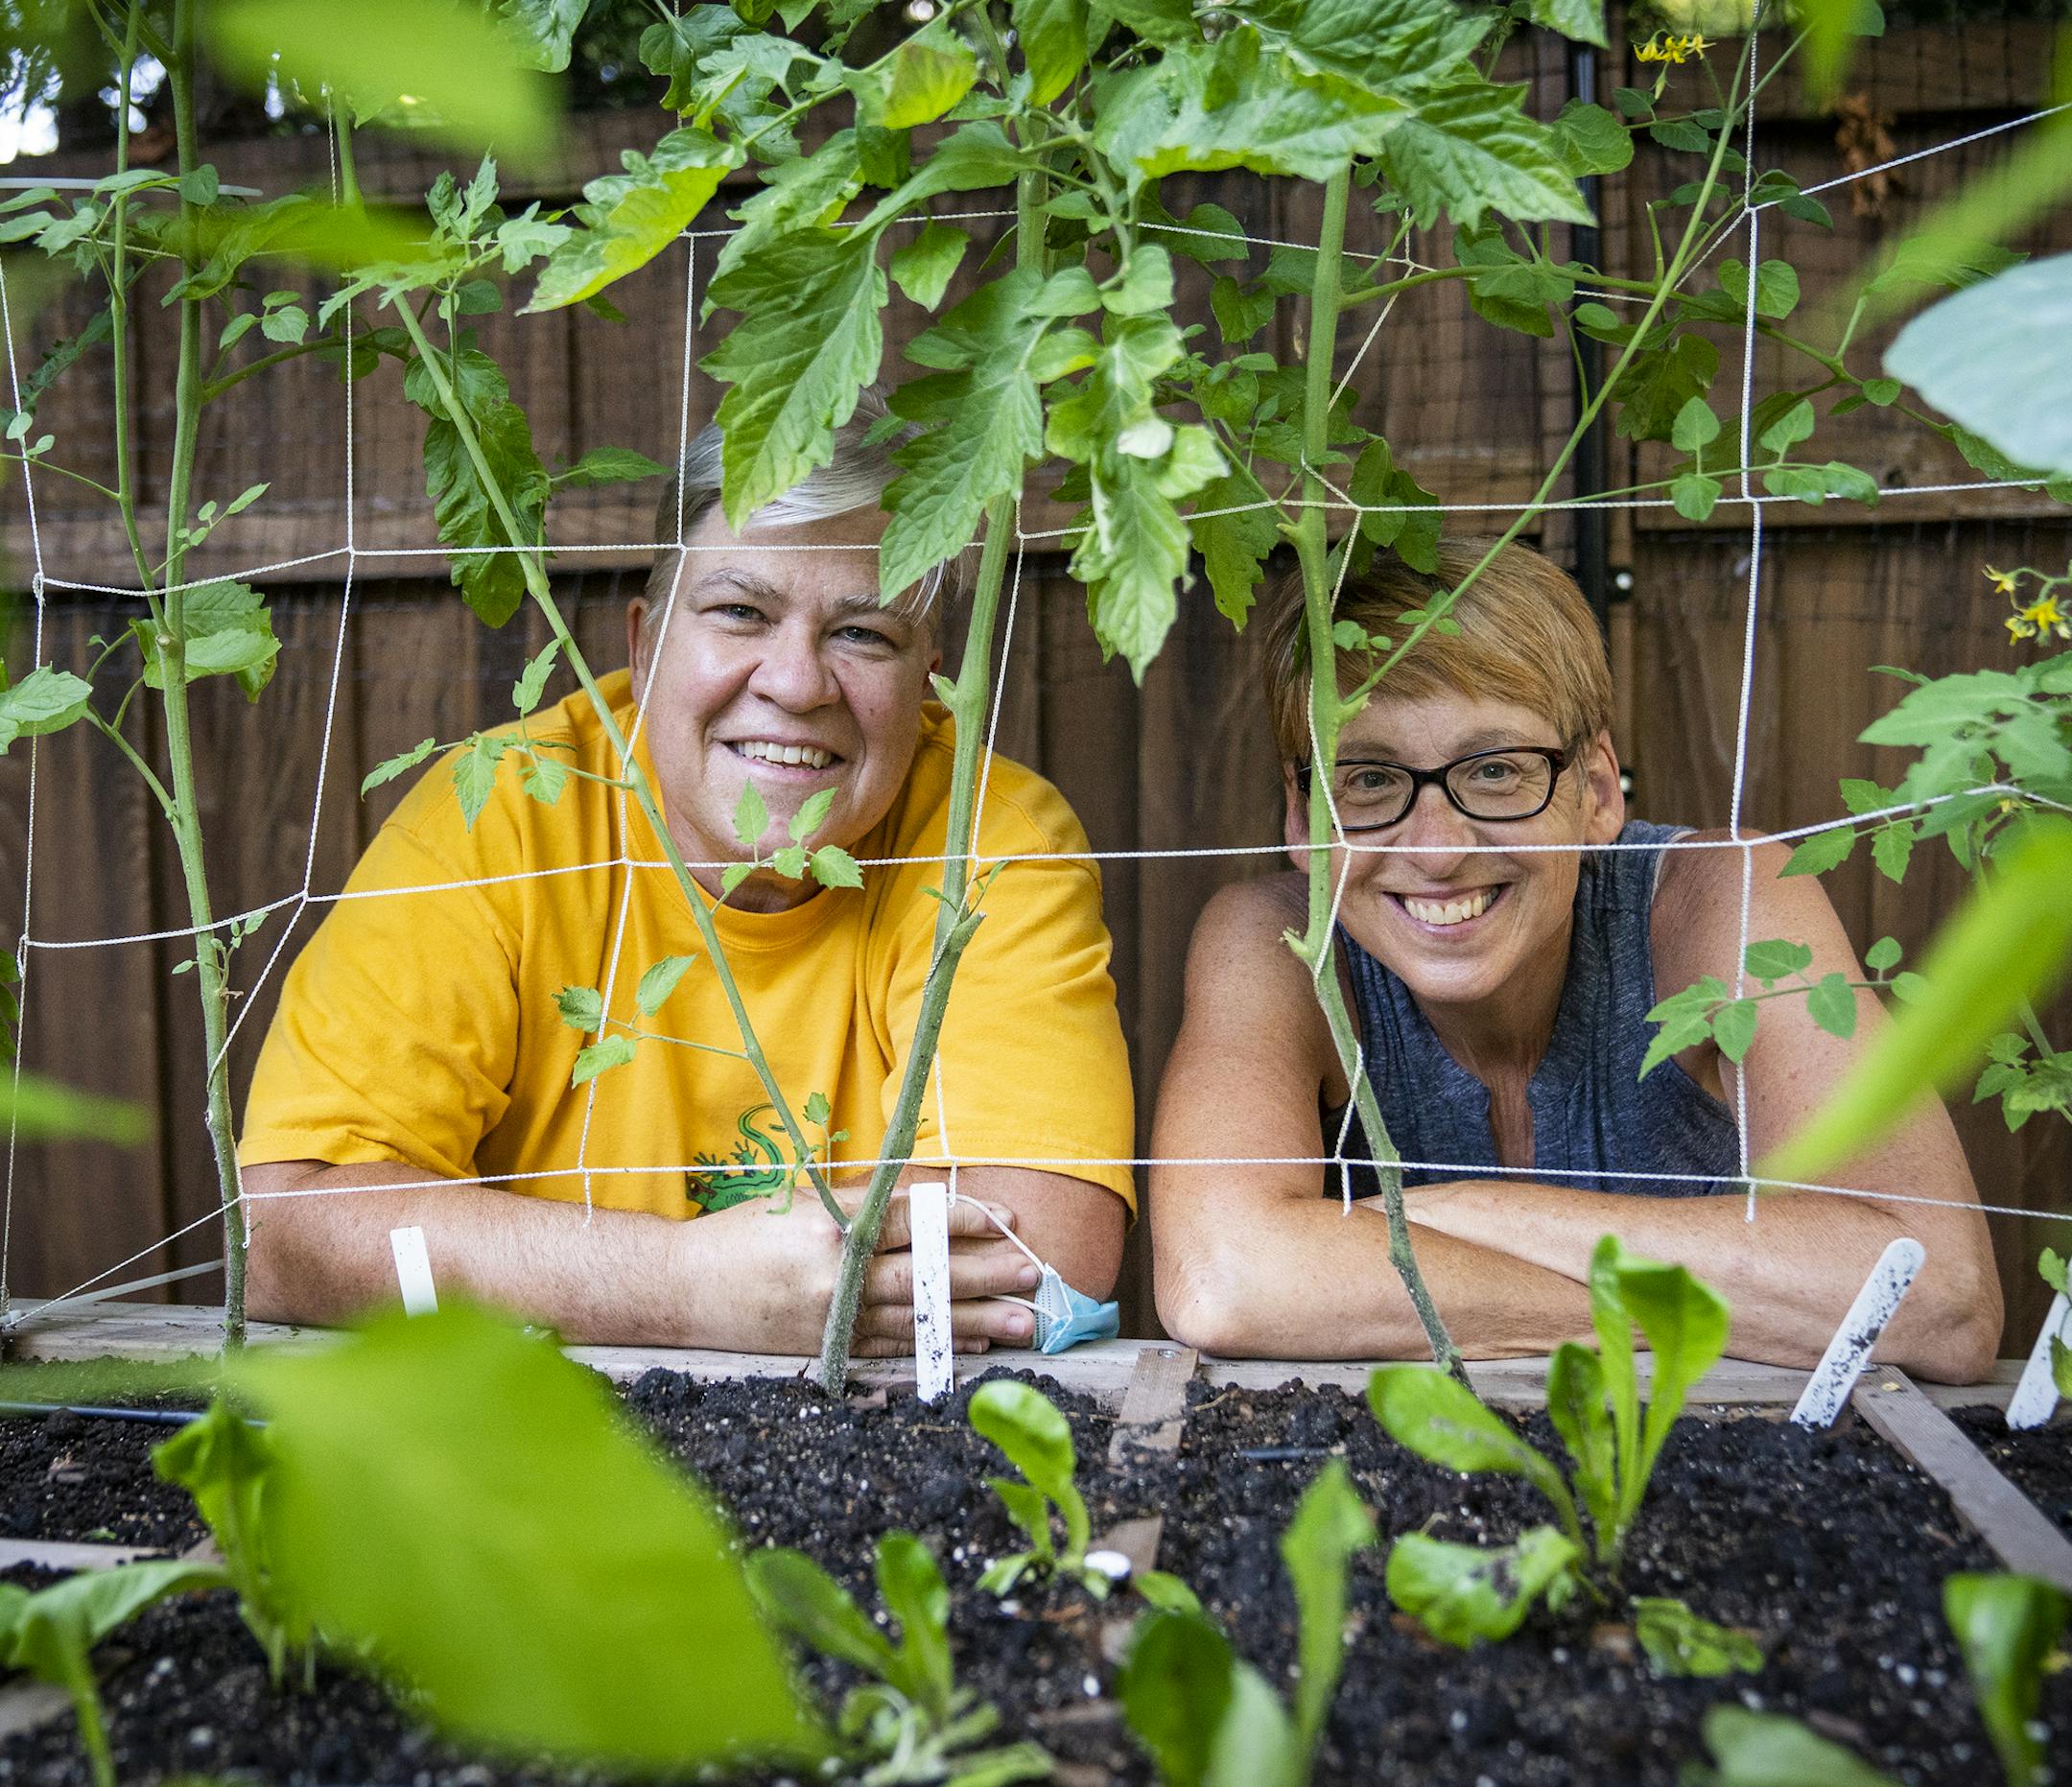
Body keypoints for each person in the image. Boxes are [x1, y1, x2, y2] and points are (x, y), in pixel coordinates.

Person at [239, 408, 1132, 1352]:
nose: (797, 683)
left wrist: (532, 1270)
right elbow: (283, 1232)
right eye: (741, 612)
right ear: (644, 643)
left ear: (929, 679)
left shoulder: (988, 833)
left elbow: (1046, 1243)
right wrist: (679, 1284)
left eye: (864, 633)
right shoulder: (500, 809)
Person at [1150, 539, 1999, 1381]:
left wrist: (1430, 1218)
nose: (1439, 850)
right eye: (1368, 780)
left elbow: (1938, 1295)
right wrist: (1712, 1303)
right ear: (1301, 819)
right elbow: (1224, 1278)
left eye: (1494, 771)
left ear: (1595, 791)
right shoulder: (1279, 939)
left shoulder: (1718, 896)